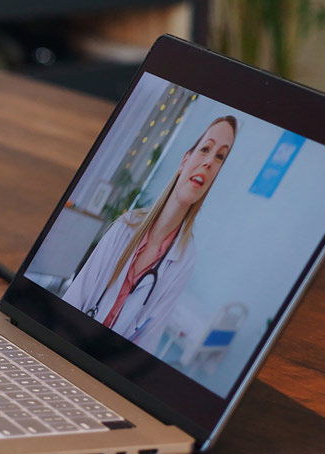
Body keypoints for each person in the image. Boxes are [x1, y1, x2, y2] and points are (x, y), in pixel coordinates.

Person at [61, 115, 240, 347]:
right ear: (184, 161)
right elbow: (74, 299)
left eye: (220, 157)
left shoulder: (185, 258)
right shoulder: (126, 226)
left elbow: (148, 340)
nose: (209, 162)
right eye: (205, 149)